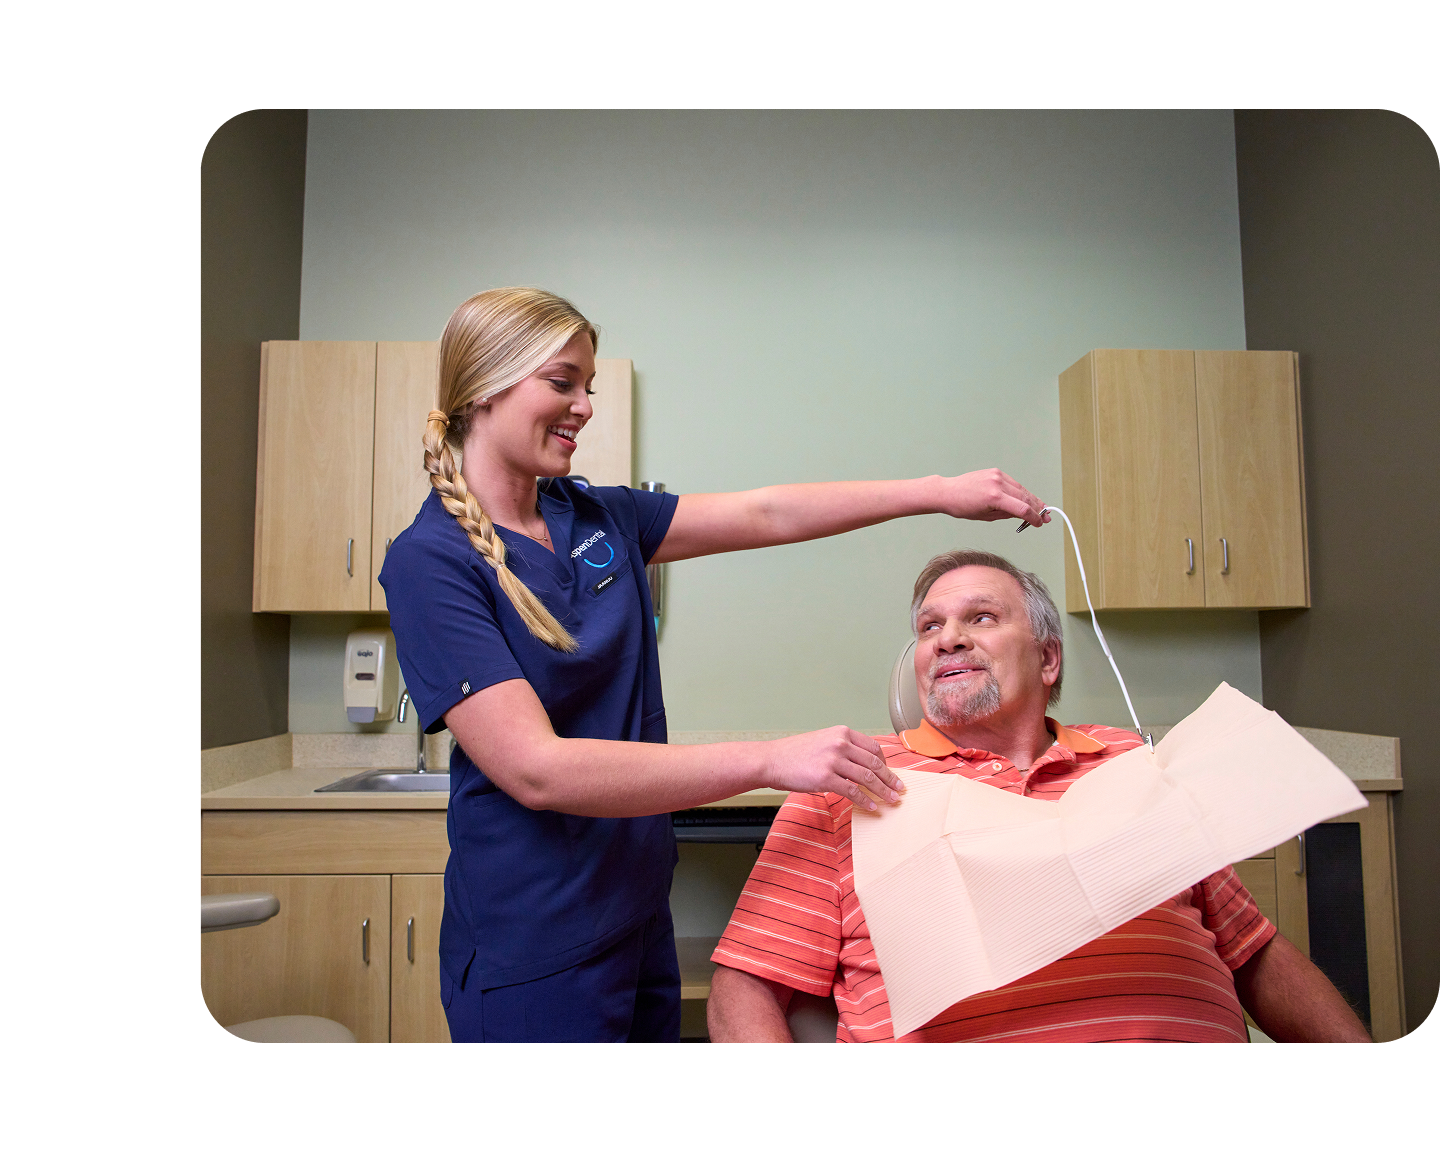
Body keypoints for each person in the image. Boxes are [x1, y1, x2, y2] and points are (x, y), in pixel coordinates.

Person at [378, 287, 1052, 1042]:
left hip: (634, 909)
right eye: (563, 382)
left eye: (589, 387)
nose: (586, 406)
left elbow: (767, 514)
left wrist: (939, 493)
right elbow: (537, 769)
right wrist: (771, 758)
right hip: (535, 934)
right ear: (484, 388)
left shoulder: (594, 516)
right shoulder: (431, 561)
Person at [707, 549, 1373, 1043]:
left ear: (1048, 659)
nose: (948, 638)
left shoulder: (1127, 758)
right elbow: (747, 985)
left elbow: (1252, 949)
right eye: (930, 626)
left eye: (982, 617)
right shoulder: (854, 780)